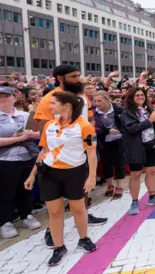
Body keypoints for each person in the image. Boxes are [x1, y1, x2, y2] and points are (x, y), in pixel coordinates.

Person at [31, 64, 107, 248]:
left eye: (79, 75)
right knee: (54, 205)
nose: (78, 79)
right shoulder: (50, 99)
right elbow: (43, 130)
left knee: (80, 195)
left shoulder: (82, 96)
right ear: (60, 78)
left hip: (81, 152)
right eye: (73, 76)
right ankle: (52, 231)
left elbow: (90, 119)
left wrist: (90, 140)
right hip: (57, 157)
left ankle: (83, 216)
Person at [24, 91, 98, 266]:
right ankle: (59, 247)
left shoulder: (84, 126)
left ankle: (84, 238)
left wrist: (92, 177)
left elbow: (91, 153)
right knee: (54, 212)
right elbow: (43, 151)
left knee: (77, 208)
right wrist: (32, 174)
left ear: (66, 105)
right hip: (49, 173)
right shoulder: (50, 125)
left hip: (75, 172)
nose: (49, 106)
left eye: (53, 103)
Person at [0, 87, 42, 239]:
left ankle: (27, 215)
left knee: (26, 189)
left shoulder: (25, 115)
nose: (4, 98)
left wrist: (30, 134)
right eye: (1, 96)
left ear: (14, 98)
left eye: (7, 96)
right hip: (5, 160)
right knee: (6, 191)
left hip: (27, 157)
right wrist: (19, 139)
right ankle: (5, 221)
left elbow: (39, 133)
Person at [120, 87, 155, 215]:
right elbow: (132, 129)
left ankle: (152, 197)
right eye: (137, 95)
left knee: (151, 172)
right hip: (136, 147)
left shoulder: (149, 108)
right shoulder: (126, 112)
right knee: (135, 174)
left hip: (150, 144)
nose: (140, 97)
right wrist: (149, 121)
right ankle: (134, 201)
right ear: (131, 98)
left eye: (142, 95)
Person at [93, 91, 126, 199]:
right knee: (106, 164)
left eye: (100, 101)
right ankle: (110, 185)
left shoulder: (118, 109)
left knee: (119, 163)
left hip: (118, 139)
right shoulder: (94, 112)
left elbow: (125, 122)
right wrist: (107, 130)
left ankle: (120, 186)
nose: (97, 103)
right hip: (104, 141)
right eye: (95, 101)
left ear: (107, 100)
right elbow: (94, 128)